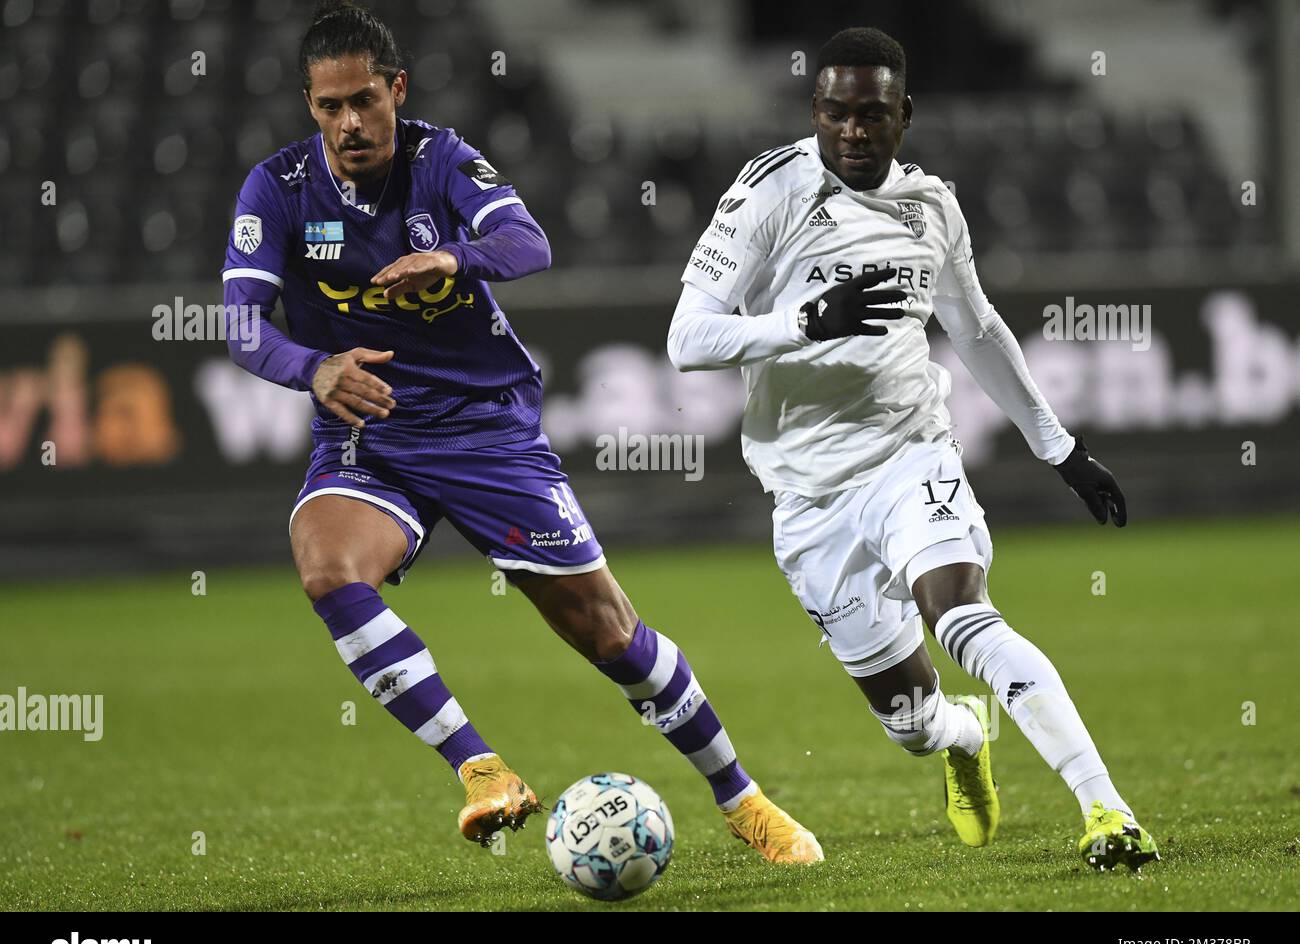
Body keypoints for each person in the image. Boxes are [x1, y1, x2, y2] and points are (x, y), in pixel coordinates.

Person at [220, 0, 821, 862]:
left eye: (364, 100)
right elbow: (241, 327)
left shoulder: (443, 158)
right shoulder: (274, 189)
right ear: (309, 104)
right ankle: (483, 769)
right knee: (327, 568)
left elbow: (527, 242)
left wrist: (453, 257)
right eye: (328, 106)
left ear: (397, 88)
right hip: (370, 432)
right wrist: (313, 368)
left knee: (609, 632)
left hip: (484, 428)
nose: (349, 122)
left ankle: (742, 796)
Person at [667, 26, 1159, 870]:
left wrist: (1061, 450)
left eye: (872, 115)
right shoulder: (767, 194)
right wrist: (804, 322)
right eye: (836, 114)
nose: (853, 131)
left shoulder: (932, 206)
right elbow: (686, 339)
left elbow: (976, 328)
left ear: (904, 116)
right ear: (814, 111)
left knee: (965, 616)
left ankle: (1107, 810)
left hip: (909, 453)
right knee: (911, 723)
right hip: (807, 493)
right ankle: (966, 740)